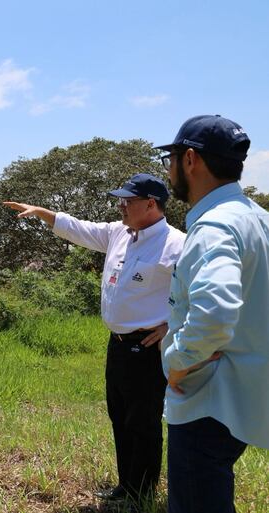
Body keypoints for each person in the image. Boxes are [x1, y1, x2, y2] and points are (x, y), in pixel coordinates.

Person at [4, 173, 185, 508]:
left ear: (151, 204)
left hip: (147, 348)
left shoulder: (176, 244)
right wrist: (43, 212)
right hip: (117, 345)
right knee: (119, 416)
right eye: (120, 199)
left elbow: (199, 293)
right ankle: (125, 485)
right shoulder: (119, 233)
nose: (121, 205)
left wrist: (172, 325)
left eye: (128, 200)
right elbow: (80, 229)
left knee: (142, 422)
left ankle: (141, 494)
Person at [156, 115, 269, 513]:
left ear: (190, 160)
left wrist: (177, 361)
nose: (168, 170)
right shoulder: (257, 218)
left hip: (207, 399)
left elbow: (215, 310)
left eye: (169, 159)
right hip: (247, 393)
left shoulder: (214, 227)